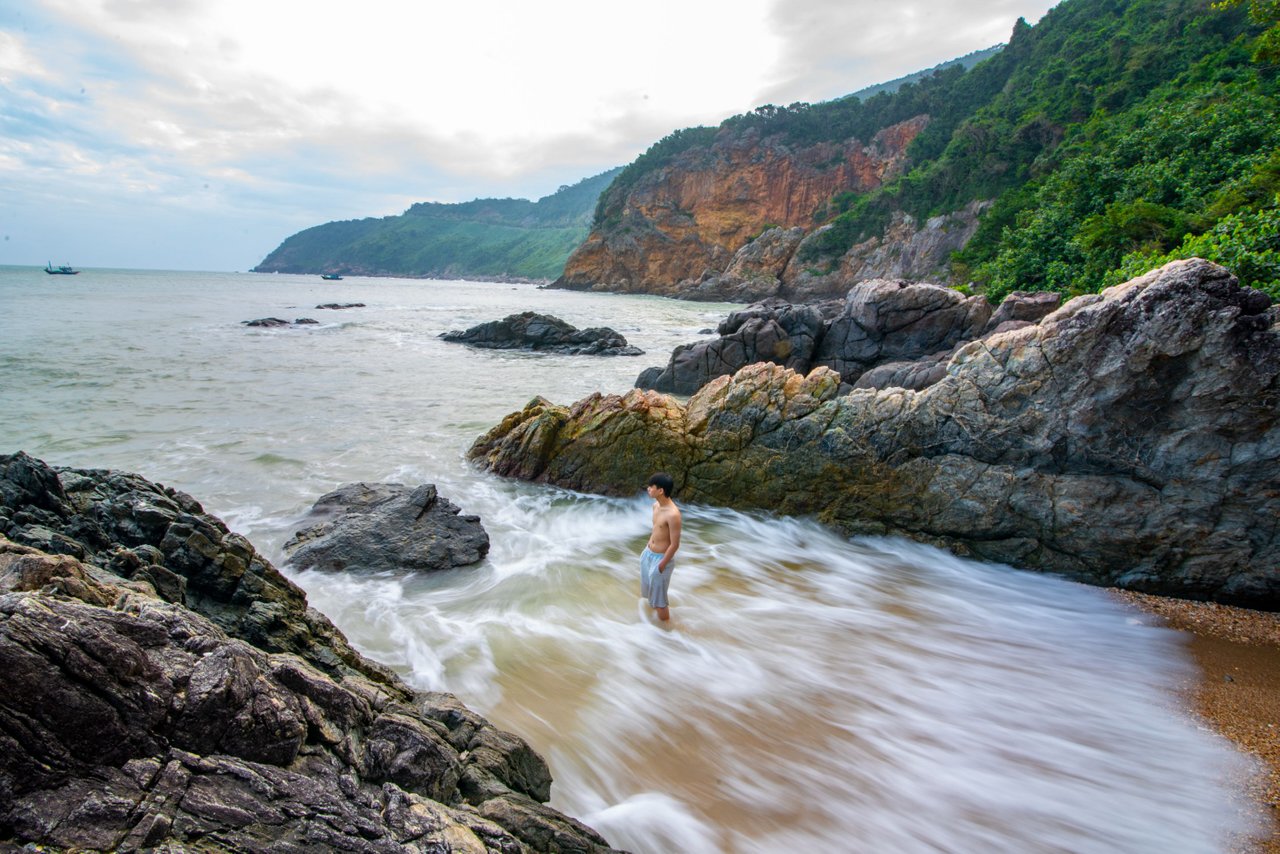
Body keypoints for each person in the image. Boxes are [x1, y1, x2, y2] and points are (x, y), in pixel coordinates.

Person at [640, 472, 682, 621]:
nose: (648, 489)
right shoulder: (655, 506)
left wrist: (661, 566)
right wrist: (646, 549)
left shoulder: (673, 514)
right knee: (650, 595)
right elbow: (656, 529)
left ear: (661, 491)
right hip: (648, 555)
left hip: (661, 560)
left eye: (651, 486)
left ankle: (666, 633)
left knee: (660, 603)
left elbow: (675, 544)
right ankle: (652, 625)